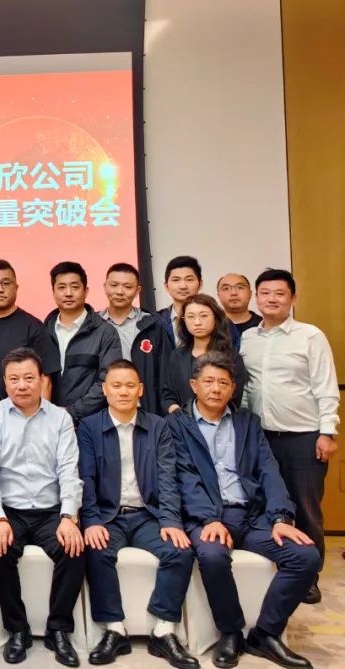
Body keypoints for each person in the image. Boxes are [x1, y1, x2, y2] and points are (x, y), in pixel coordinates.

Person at [170, 352, 319, 669]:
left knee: (305, 556)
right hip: (206, 518)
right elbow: (183, 478)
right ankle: (230, 632)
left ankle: (266, 633)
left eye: (223, 383)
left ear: (233, 388)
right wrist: (209, 518)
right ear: (194, 385)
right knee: (212, 555)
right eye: (208, 381)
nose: (216, 389)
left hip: (251, 518)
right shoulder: (177, 425)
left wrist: (280, 517)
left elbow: (269, 470)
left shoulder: (247, 423)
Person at [77, 360, 197, 668]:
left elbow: (168, 477)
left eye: (130, 386)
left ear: (140, 390)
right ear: (105, 390)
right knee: (96, 551)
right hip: (108, 516)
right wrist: (91, 521)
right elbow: (85, 479)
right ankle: (114, 629)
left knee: (180, 551)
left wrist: (171, 520)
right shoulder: (89, 427)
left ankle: (164, 630)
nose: (123, 392)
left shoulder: (158, 426)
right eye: (116, 386)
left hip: (148, 515)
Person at [0, 347, 84, 667]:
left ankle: (58, 630)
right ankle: (17, 630)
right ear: (5, 382)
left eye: (28, 378)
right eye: (14, 379)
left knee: (74, 549)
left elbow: (69, 471)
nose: (21, 385)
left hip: (51, 510)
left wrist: (68, 516)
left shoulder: (60, 418)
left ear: (42, 380)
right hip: (9, 510)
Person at [241, 268, 338, 605]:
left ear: (293, 298)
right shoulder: (248, 338)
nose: (272, 299)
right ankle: (278, 569)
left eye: (280, 293)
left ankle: (308, 577)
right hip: (261, 437)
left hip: (303, 437)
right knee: (267, 506)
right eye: (265, 293)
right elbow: (246, 388)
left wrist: (327, 431)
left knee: (306, 508)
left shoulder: (310, 336)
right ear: (257, 297)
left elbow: (325, 386)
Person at [0, 259, 59, 416]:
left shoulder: (34, 327)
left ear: (16, 287)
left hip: (20, 418)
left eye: (6, 283)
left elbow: (45, 381)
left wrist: (40, 421)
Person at [43, 261, 123, 423]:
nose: (68, 293)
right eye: (61, 287)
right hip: (48, 423)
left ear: (86, 291)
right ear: (53, 292)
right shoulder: (43, 332)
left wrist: (72, 412)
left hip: (91, 423)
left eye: (75, 287)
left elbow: (108, 380)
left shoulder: (105, 332)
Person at [98, 262, 173, 415]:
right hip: (100, 410)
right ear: (105, 287)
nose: (120, 291)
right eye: (114, 285)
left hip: (144, 410)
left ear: (138, 290)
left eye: (127, 286)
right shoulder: (93, 324)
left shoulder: (152, 325)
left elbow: (165, 374)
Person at [162, 295, 247, 414]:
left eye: (204, 316)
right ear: (184, 321)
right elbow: (168, 396)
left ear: (216, 319)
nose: (197, 322)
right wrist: (180, 416)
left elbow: (234, 398)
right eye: (190, 317)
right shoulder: (177, 356)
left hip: (221, 421)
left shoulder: (232, 358)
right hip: (182, 422)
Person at [158, 256, 202, 348]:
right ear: (166, 286)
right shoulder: (155, 321)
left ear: (200, 284)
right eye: (176, 280)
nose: (183, 286)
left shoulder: (216, 319)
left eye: (189, 280)